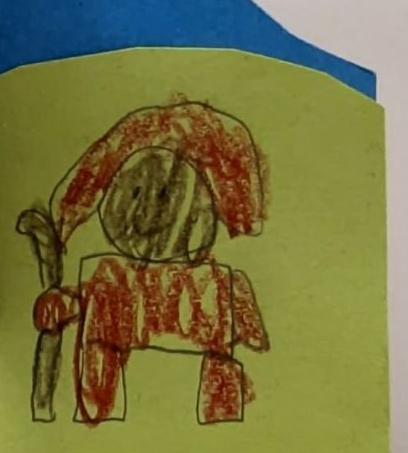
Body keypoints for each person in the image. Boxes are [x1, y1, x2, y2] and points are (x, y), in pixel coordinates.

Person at [30, 100, 270, 425]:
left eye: (172, 197)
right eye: (138, 193)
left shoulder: (212, 285)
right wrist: (63, 304)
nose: (150, 218)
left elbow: (247, 340)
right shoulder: (112, 278)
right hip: (106, 426)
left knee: (221, 385)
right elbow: (89, 303)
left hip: (204, 427)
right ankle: (100, 416)